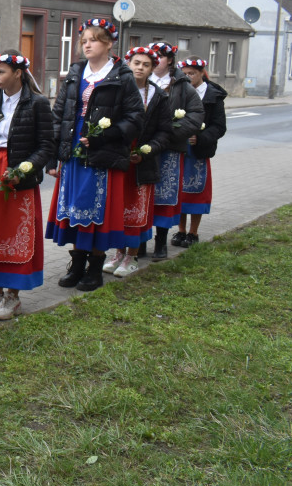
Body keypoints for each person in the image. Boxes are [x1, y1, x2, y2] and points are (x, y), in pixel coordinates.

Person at [46, 18, 144, 292]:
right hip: (74, 149)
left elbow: (136, 117)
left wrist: (106, 134)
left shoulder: (122, 76)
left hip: (102, 151)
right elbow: (60, 115)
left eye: (93, 39)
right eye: (84, 40)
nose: (86, 44)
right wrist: (55, 156)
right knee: (75, 206)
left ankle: (94, 267)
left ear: (109, 43)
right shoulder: (76, 71)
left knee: (96, 208)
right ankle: (77, 265)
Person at [0, 51, 54, 320]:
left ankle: (12, 297)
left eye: (1, 72)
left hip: (17, 174)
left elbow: (45, 146)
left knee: (15, 234)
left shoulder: (37, 103)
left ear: (18, 73)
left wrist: (23, 170)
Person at [102, 47, 173, 278]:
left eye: (145, 64)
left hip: (142, 163)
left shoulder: (159, 96)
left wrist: (146, 150)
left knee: (136, 211)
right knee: (117, 209)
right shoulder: (116, 90)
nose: (140, 68)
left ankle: (131, 256)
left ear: (152, 69)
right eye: (136, 63)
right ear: (128, 64)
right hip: (117, 158)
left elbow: (164, 133)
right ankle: (117, 252)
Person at [146, 42, 203, 259]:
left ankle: (161, 242)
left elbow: (196, 114)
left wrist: (171, 132)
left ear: (169, 60)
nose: (155, 60)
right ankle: (140, 241)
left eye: (159, 56)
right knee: (143, 195)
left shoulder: (182, 85)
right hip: (145, 148)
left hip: (169, 148)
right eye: (152, 56)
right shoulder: (142, 82)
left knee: (164, 196)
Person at [174, 56, 227, 247]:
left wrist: (200, 138)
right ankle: (180, 230)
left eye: (192, 74)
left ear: (201, 73)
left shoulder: (213, 96)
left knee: (196, 191)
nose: (188, 77)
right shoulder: (179, 91)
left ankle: (193, 232)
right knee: (179, 190)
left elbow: (219, 127)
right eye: (185, 74)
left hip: (199, 149)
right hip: (179, 148)